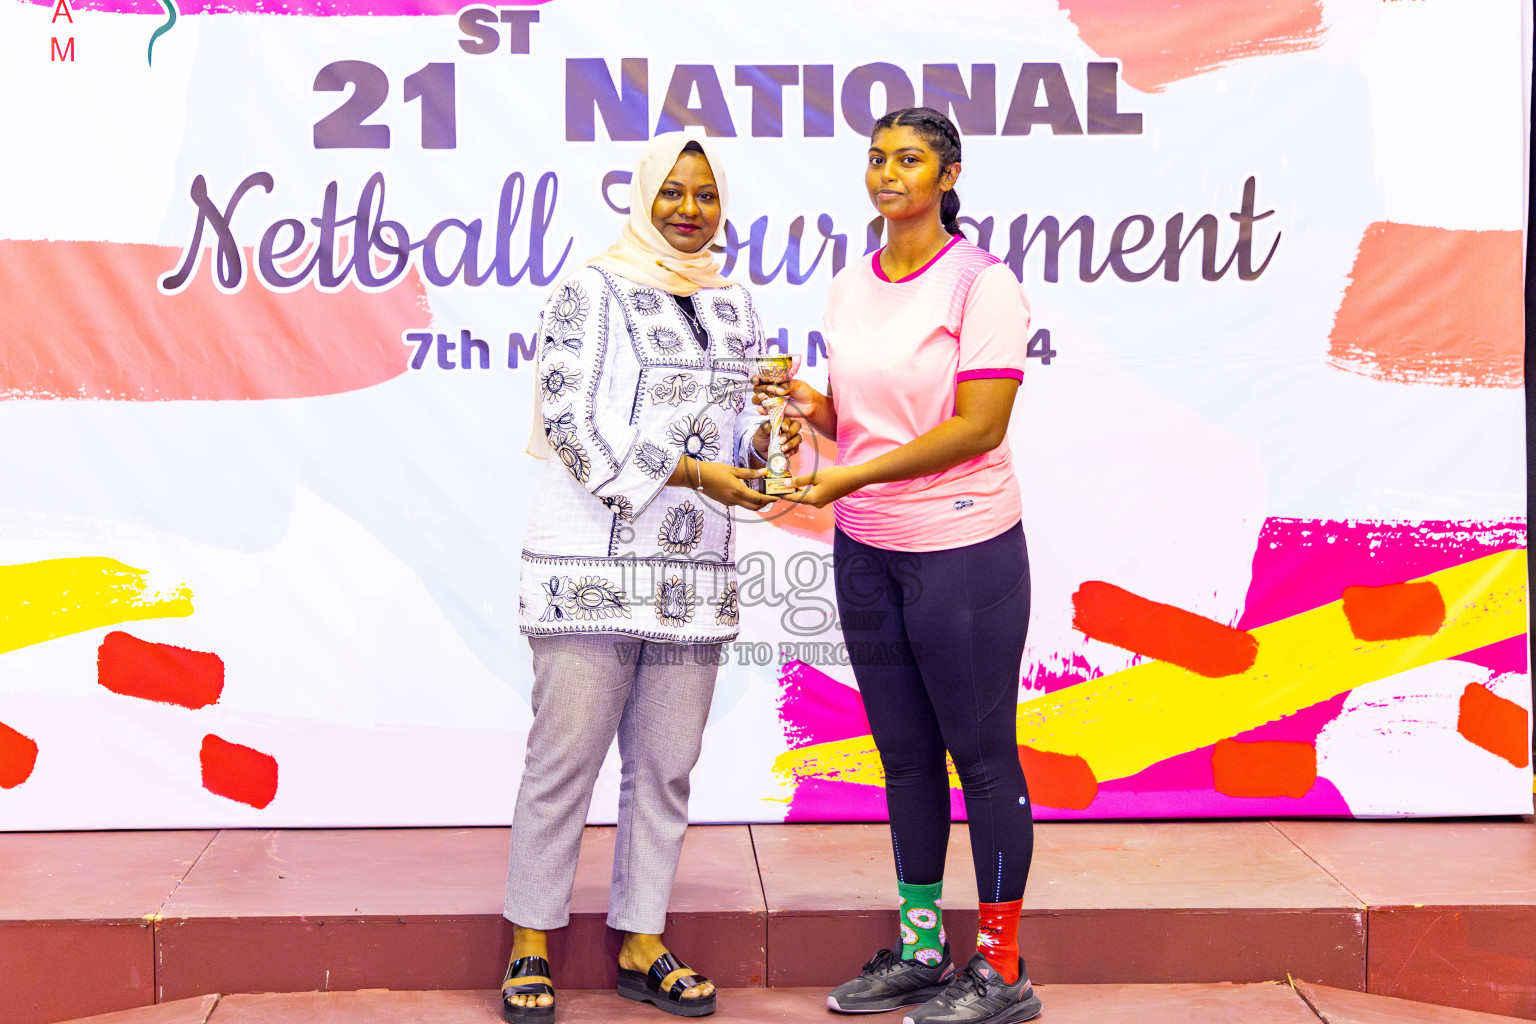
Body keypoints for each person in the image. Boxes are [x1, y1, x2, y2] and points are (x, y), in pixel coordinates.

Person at [503, 130, 799, 1024]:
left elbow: (738, 441)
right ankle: (528, 942)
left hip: (693, 576)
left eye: (705, 194)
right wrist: (693, 473)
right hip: (587, 566)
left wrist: (769, 438)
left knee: (666, 767)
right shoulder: (589, 289)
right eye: (672, 191)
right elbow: (572, 426)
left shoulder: (737, 303)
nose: (689, 208)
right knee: (565, 765)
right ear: (640, 195)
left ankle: (641, 938)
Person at [757, 107, 1040, 1024]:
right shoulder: (849, 284)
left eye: (910, 159)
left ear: (948, 177)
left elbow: (977, 427)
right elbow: (860, 426)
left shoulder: (981, 286)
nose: (888, 173)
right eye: (877, 158)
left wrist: (849, 474)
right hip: (868, 552)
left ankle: (1000, 971)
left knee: (982, 760)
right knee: (906, 759)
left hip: (962, 548)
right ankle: (923, 952)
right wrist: (803, 402)